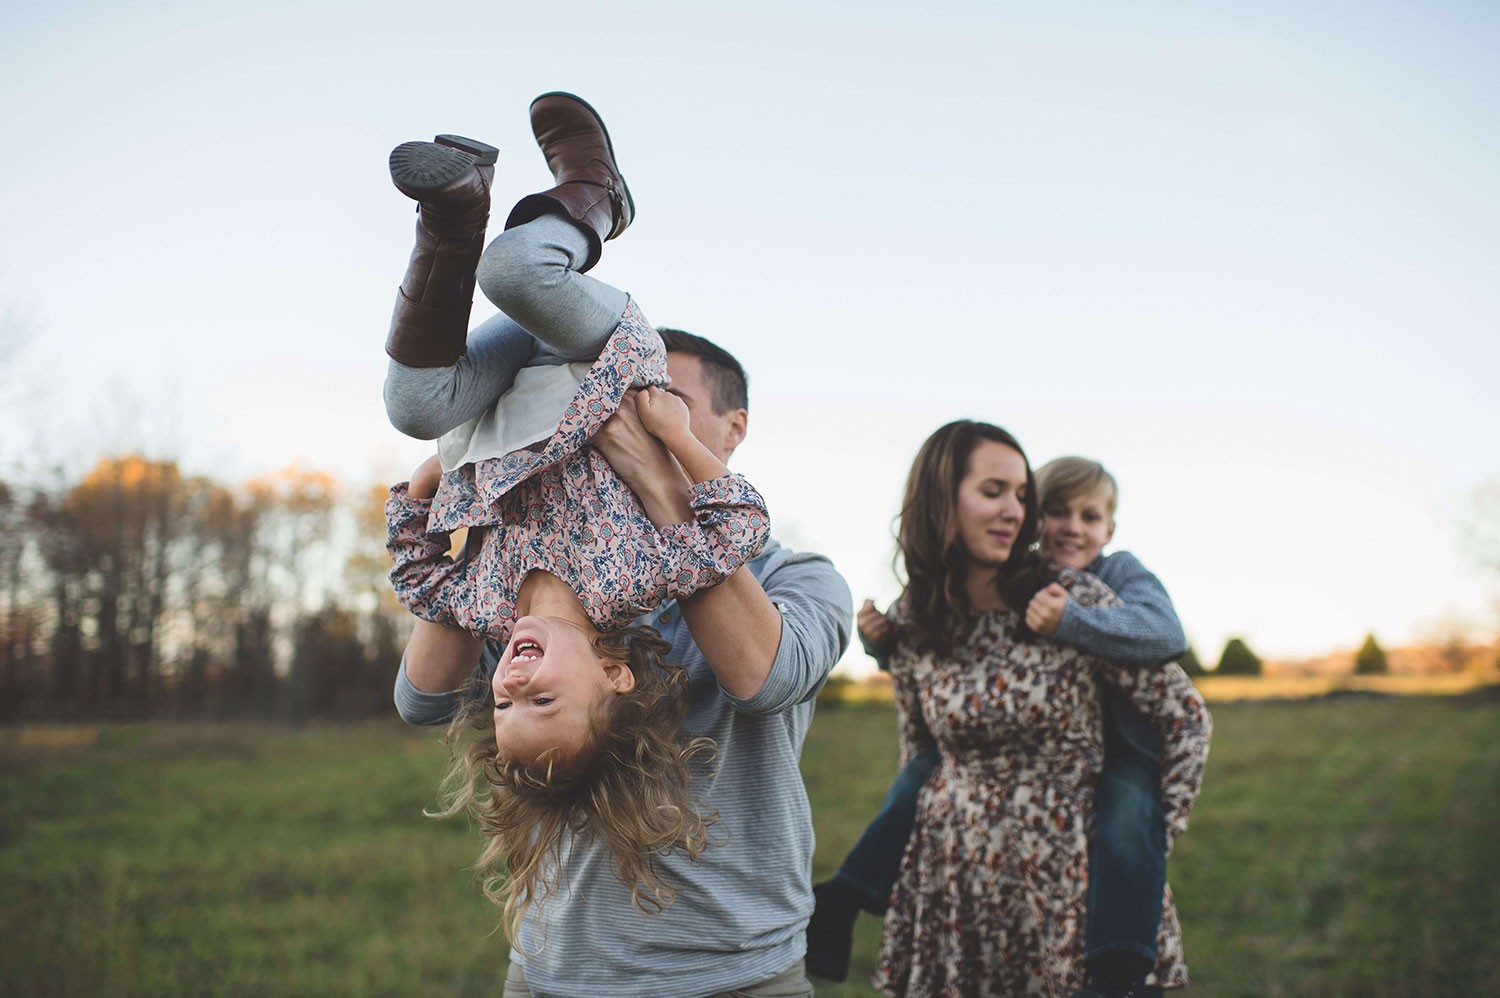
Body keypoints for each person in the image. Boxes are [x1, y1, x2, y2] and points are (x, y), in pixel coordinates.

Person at [387, 92, 854, 998]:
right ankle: (592, 195)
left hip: (736, 978)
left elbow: (766, 679)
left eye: (658, 398)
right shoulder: (557, 606)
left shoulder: (799, 578)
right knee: (506, 300)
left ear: (732, 428)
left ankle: (456, 217)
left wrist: (447, 476)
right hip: (552, 975)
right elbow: (419, 699)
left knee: (412, 402)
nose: (602, 411)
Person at [808, 455, 1192, 998]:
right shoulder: (994, 583)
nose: (1072, 528)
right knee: (919, 773)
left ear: (1110, 528)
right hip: (971, 848)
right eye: (1056, 512)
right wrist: (881, 643)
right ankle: (846, 895)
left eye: (1089, 517)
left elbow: (1168, 638)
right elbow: (936, 663)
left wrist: (1073, 622)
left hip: (1118, 747)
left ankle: (1121, 969)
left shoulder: (1110, 577)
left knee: (1130, 817)